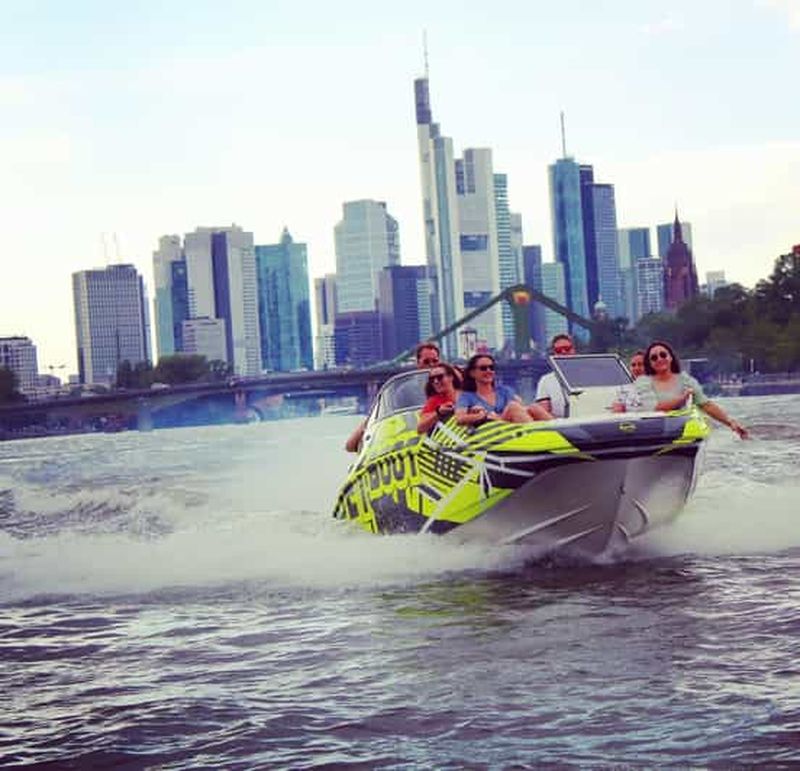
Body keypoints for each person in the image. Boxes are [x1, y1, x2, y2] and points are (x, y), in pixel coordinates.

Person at [636, 340, 749, 439]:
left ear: (670, 357)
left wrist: (731, 423)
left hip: (681, 431)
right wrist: (682, 399)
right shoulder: (643, 382)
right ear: (650, 363)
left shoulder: (686, 380)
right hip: (653, 431)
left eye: (663, 355)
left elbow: (706, 405)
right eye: (654, 358)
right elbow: (653, 408)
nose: (660, 359)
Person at [345, 342, 441, 452]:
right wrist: (369, 424)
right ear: (418, 363)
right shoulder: (406, 390)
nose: (431, 365)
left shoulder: (448, 386)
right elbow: (396, 419)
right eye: (426, 362)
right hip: (415, 441)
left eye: (435, 361)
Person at [456, 354, 552, 426]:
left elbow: (521, 408)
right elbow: (460, 418)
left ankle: (558, 432)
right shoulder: (466, 396)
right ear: (472, 373)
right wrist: (482, 416)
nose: (488, 371)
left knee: (533, 407)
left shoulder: (504, 391)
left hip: (508, 425)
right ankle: (536, 435)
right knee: (513, 407)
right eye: (483, 368)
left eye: (492, 368)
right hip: (491, 431)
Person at [535, 333, 575, 418]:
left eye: (567, 349)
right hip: (558, 425)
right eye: (558, 350)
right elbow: (543, 412)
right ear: (554, 353)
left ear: (574, 350)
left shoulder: (587, 375)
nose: (563, 352)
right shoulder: (546, 380)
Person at [417, 363, 463, 434]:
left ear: (451, 377)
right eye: (432, 379)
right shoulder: (433, 401)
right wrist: (438, 413)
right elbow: (420, 428)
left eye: (439, 377)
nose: (436, 381)